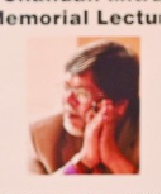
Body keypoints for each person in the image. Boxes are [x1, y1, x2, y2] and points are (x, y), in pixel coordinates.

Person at [29, 40, 139, 175]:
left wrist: (113, 159)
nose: (68, 100)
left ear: (119, 104)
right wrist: (84, 162)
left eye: (81, 92)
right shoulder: (41, 135)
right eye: (66, 88)